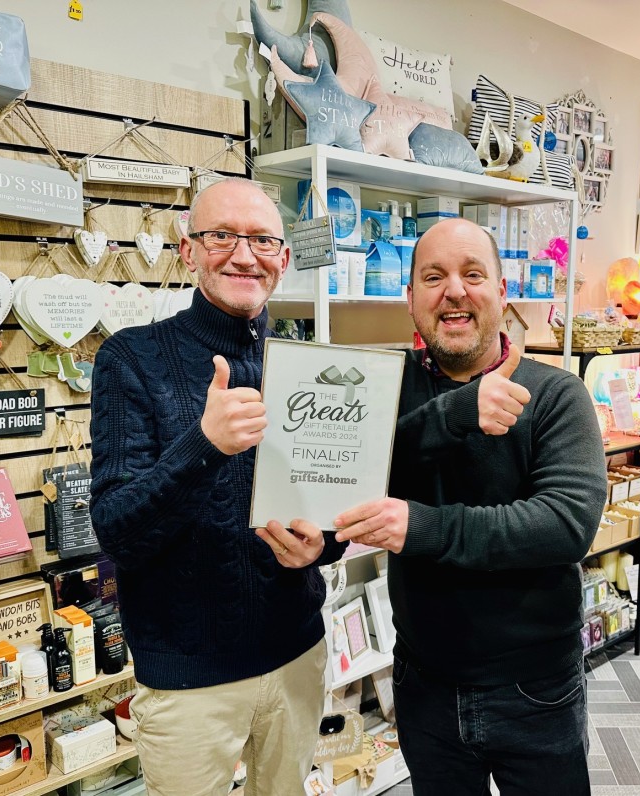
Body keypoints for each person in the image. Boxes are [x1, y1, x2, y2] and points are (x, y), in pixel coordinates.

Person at [334, 218, 607, 795]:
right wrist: (456, 414)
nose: (454, 290)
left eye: (473, 274)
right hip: (423, 683)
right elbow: (352, 480)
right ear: (409, 300)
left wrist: (420, 527)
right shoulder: (377, 390)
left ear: (503, 292)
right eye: (433, 277)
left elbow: (565, 525)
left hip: (534, 686)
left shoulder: (556, 395)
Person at [91, 178, 346, 796]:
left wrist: (325, 544)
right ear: (188, 250)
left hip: (297, 656)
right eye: (221, 236)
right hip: (188, 682)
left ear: (284, 259)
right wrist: (203, 446)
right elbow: (118, 528)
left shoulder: (306, 360)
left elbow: (331, 502)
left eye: (262, 239)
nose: (243, 254)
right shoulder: (131, 358)